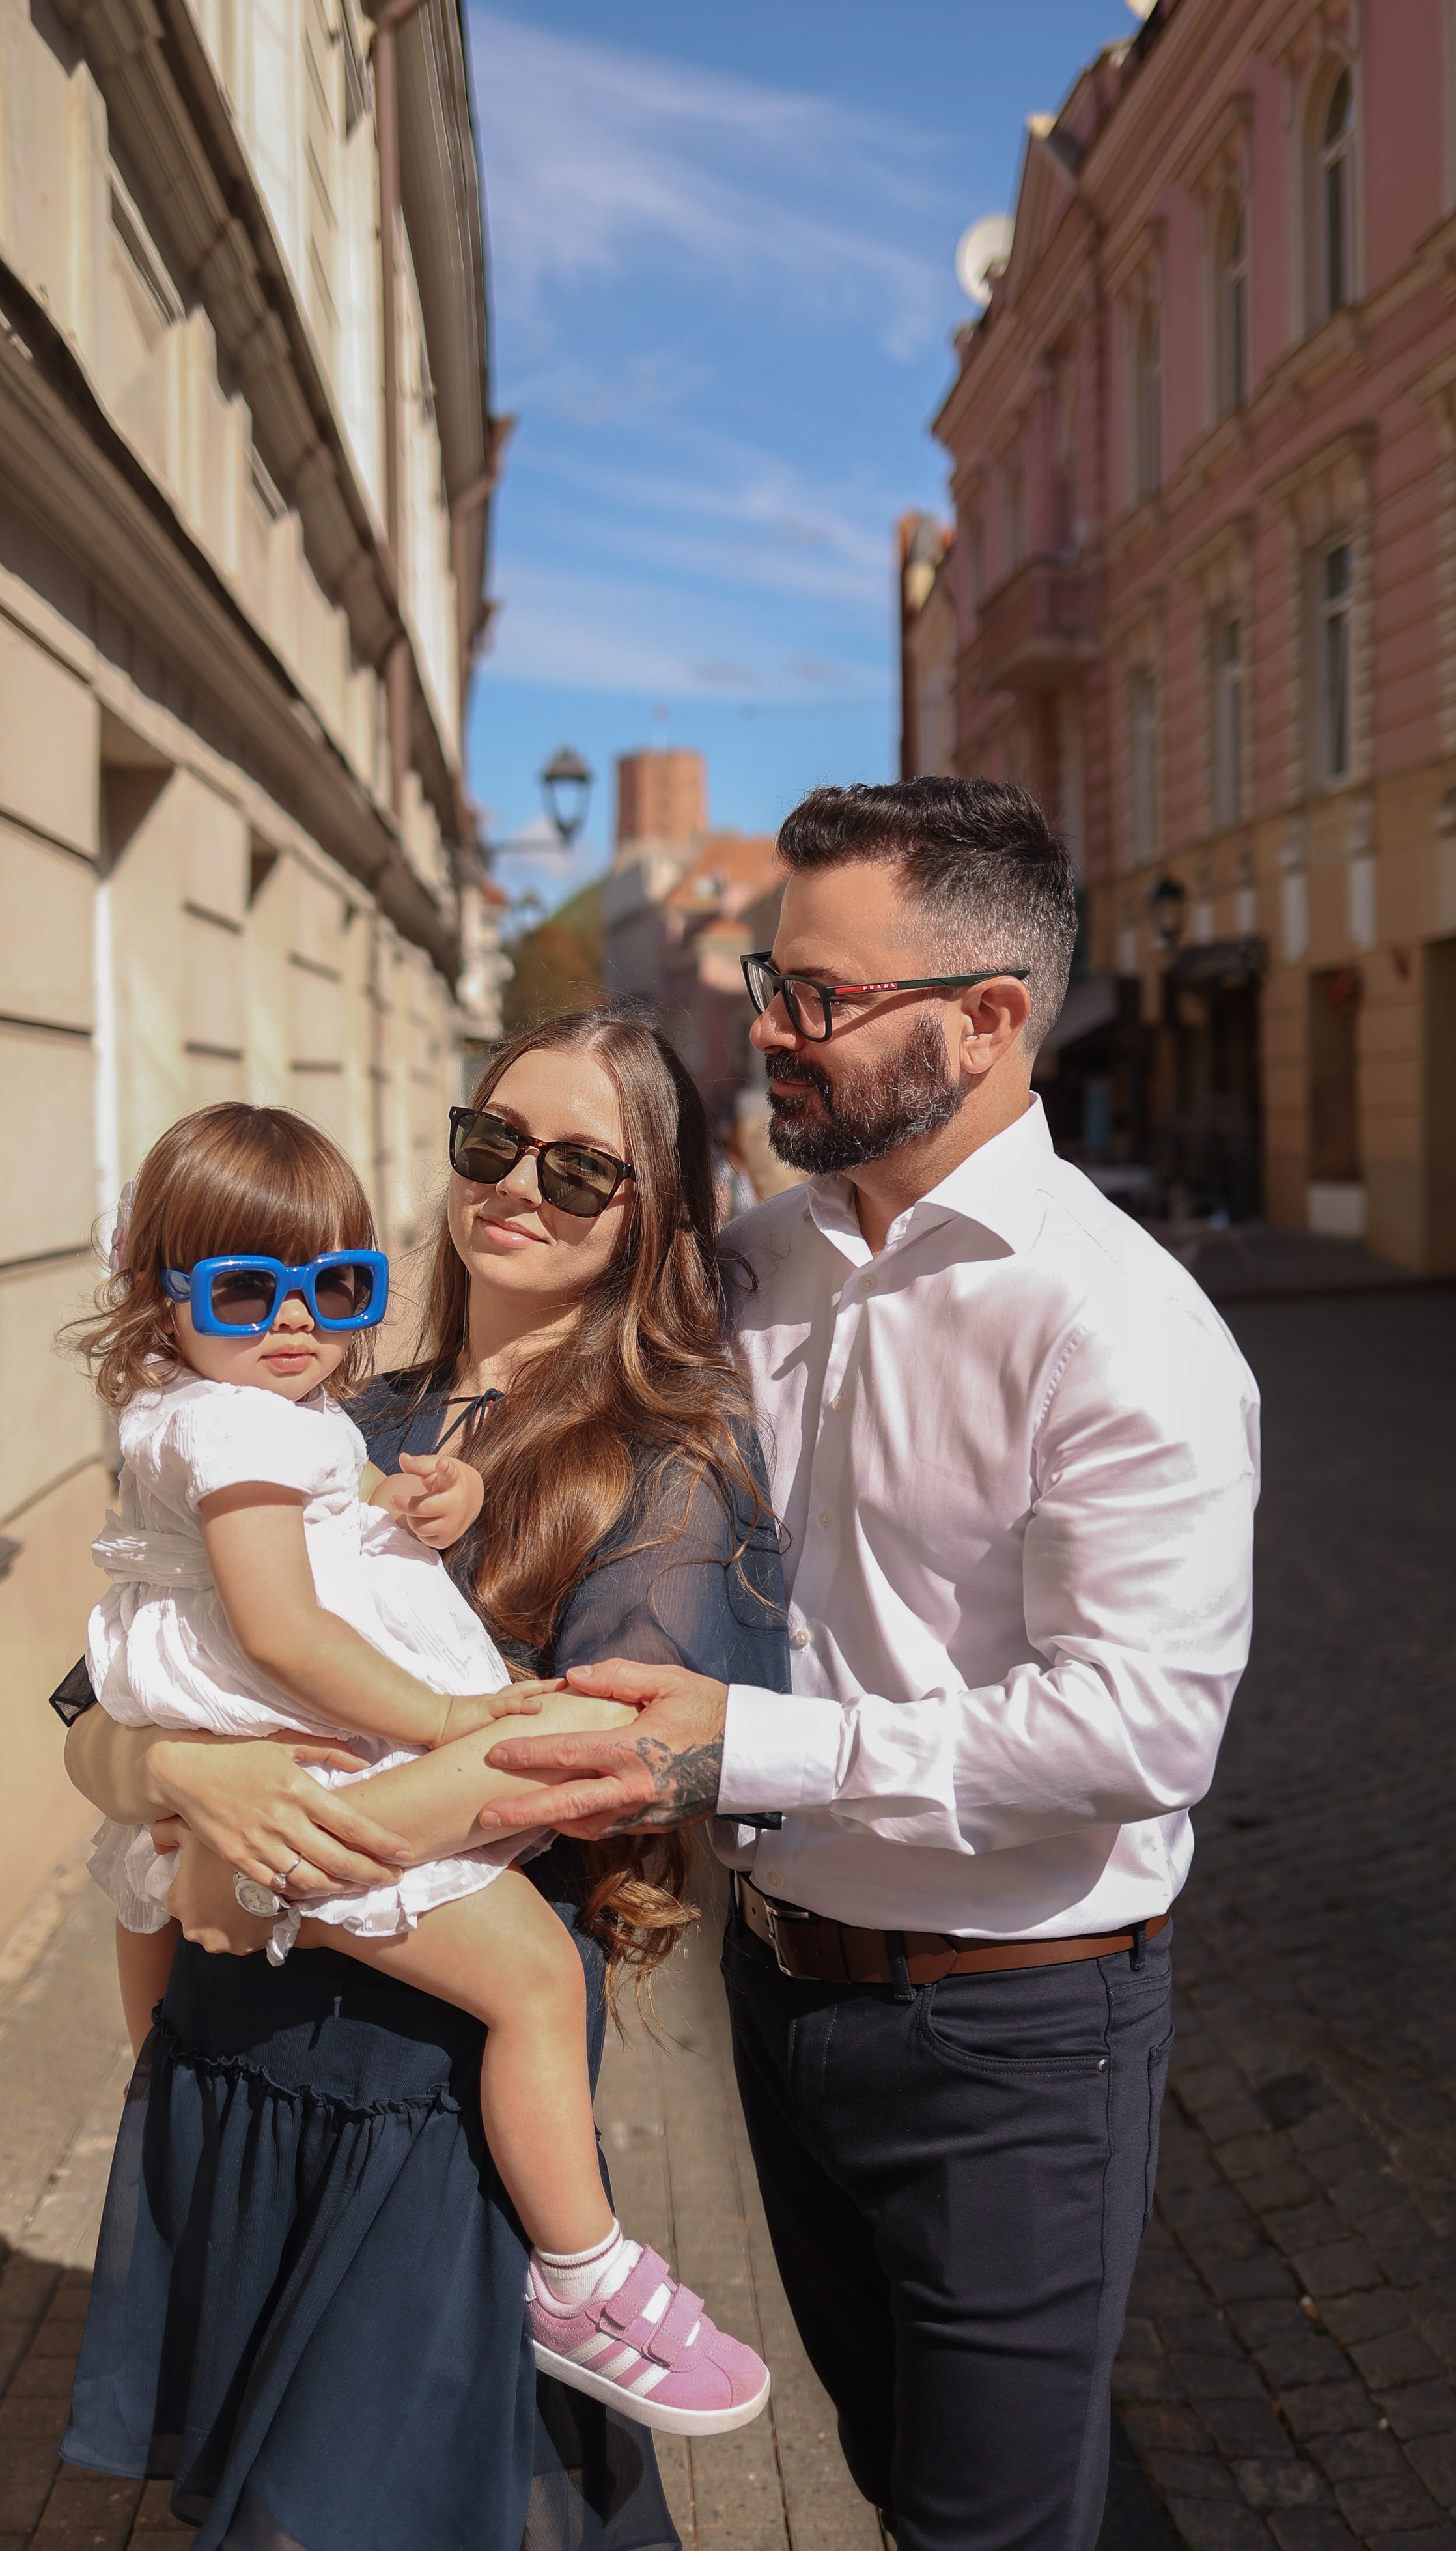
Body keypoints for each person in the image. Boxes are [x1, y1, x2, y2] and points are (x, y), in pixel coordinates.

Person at [479, 780, 1263, 2551]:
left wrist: (747, 1745)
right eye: (775, 980)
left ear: (985, 1018)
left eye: (817, 996)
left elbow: (1143, 1728)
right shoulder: (758, 1265)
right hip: (782, 1993)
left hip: (1015, 2030)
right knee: (901, 2477)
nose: (770, 1027)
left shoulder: (1121, 1325)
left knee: (989, 2522)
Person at [53, 1011, 789, 2551]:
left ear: (651, 1213)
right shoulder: (332, 1407)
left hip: (427, 2092)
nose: (518, 1184)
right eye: (493, 1140)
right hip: (247, 2049)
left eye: (579, 1168)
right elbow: (94, 1715)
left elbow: (597, 1757)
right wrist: (170, 1774)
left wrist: (241, 1859)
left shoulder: (664, 1465)